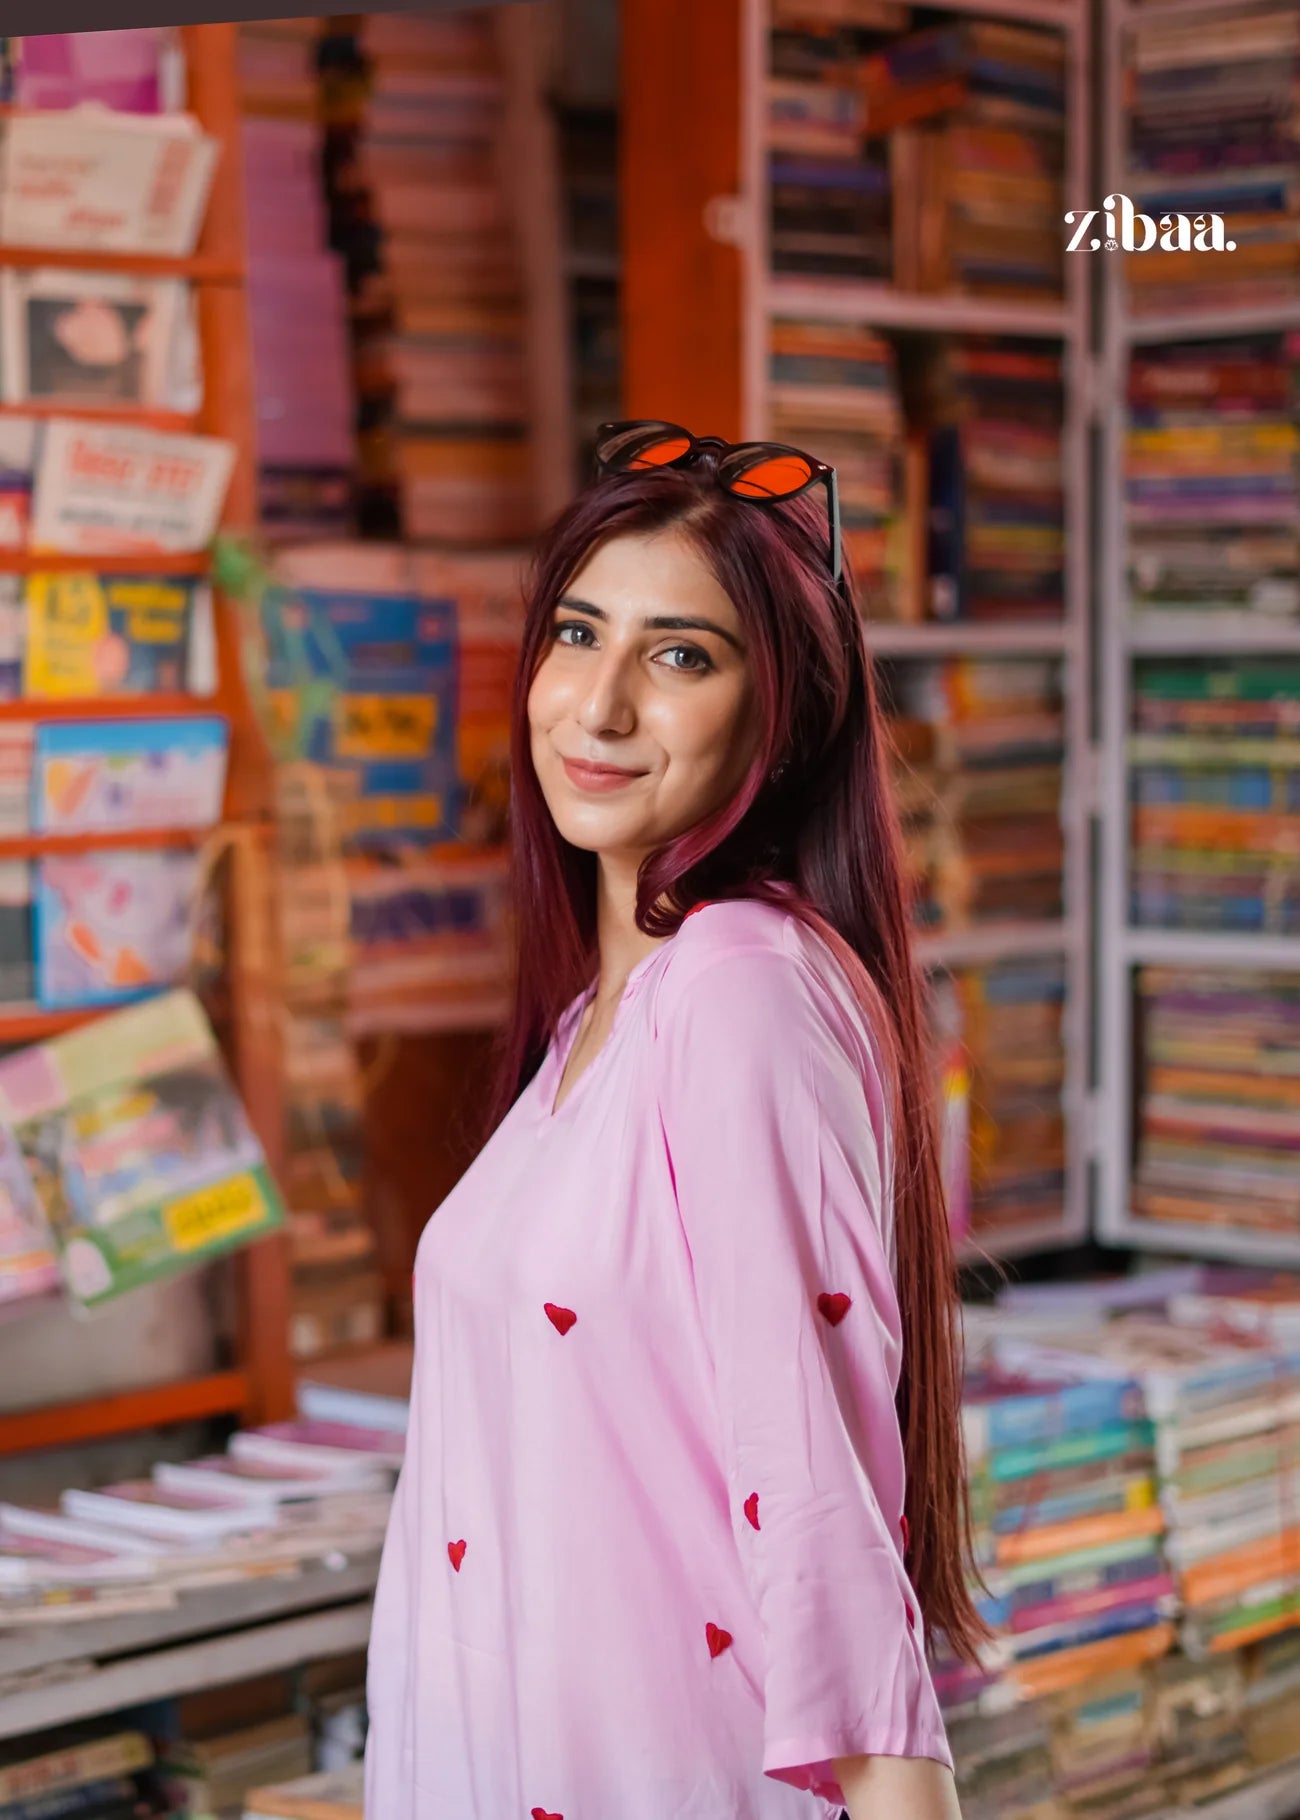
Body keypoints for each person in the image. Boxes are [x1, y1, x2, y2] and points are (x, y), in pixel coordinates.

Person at [364, 422, 986, 1819]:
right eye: (579, 634)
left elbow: (816, 1490)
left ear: (788, 710)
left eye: (682, 655)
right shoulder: (603, 1020)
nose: (597, 707)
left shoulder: (741, 994)